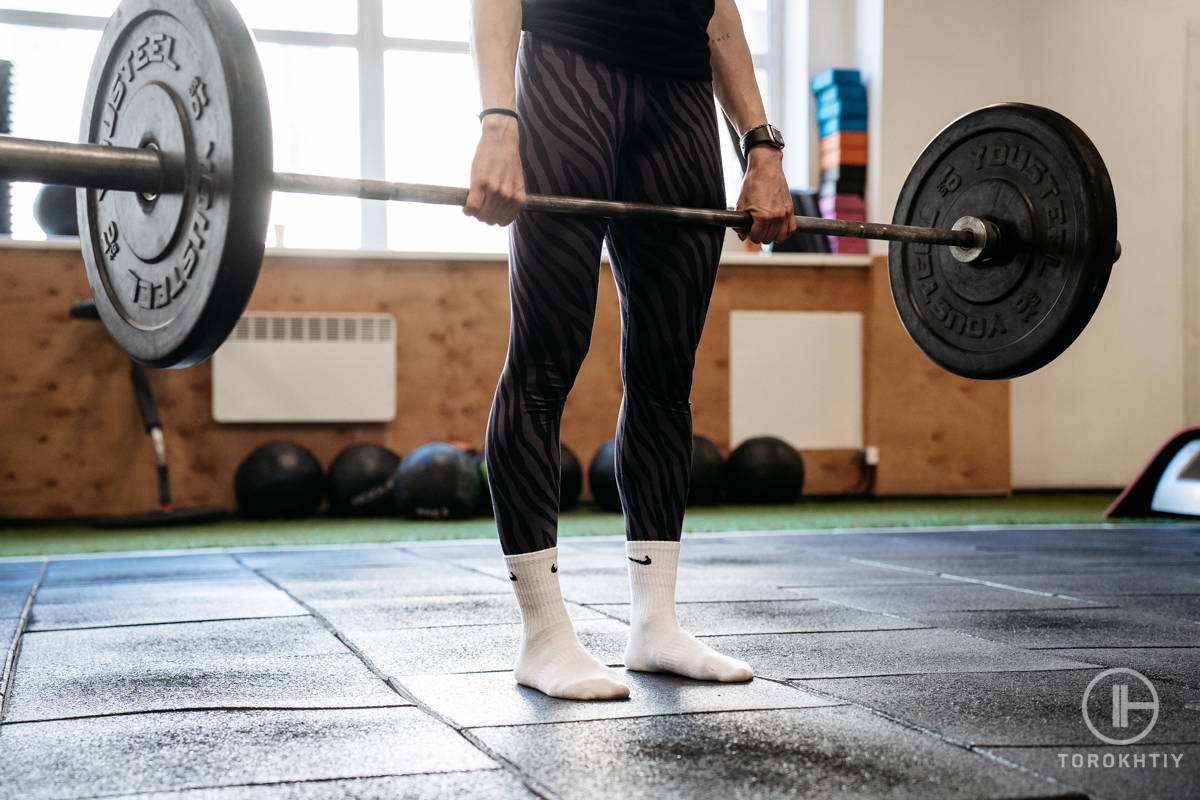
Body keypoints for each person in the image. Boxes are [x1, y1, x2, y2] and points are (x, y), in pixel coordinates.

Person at [466, 0, 797, 700]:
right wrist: (498, 119)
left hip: (679, 98)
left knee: (665, 373)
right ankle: (544, 636)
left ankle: (655, 625)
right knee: (544, 363)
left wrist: (761, 146)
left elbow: (717, 9)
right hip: (565, 72)